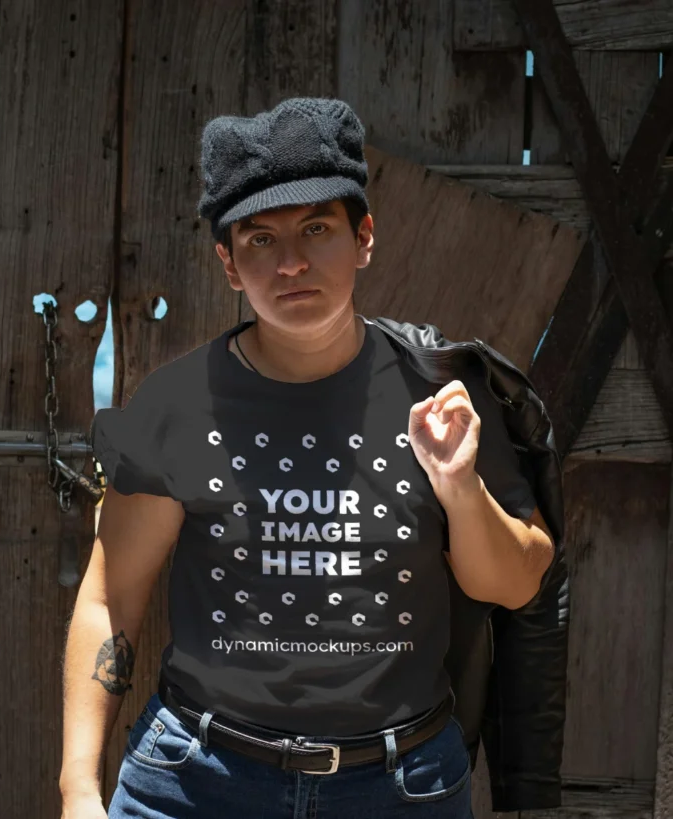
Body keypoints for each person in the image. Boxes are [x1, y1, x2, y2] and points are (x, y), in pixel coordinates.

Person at [59, 97, 560, 819]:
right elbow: (110, 598)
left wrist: (458, 487)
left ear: (364, 238)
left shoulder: (442, 394)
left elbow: (516, 584)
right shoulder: (176, 404)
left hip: (399, 786)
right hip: (197, 784)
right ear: (229, 264)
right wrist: (78, 786)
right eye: (259, 240)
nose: (290, 262)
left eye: (316, 228)